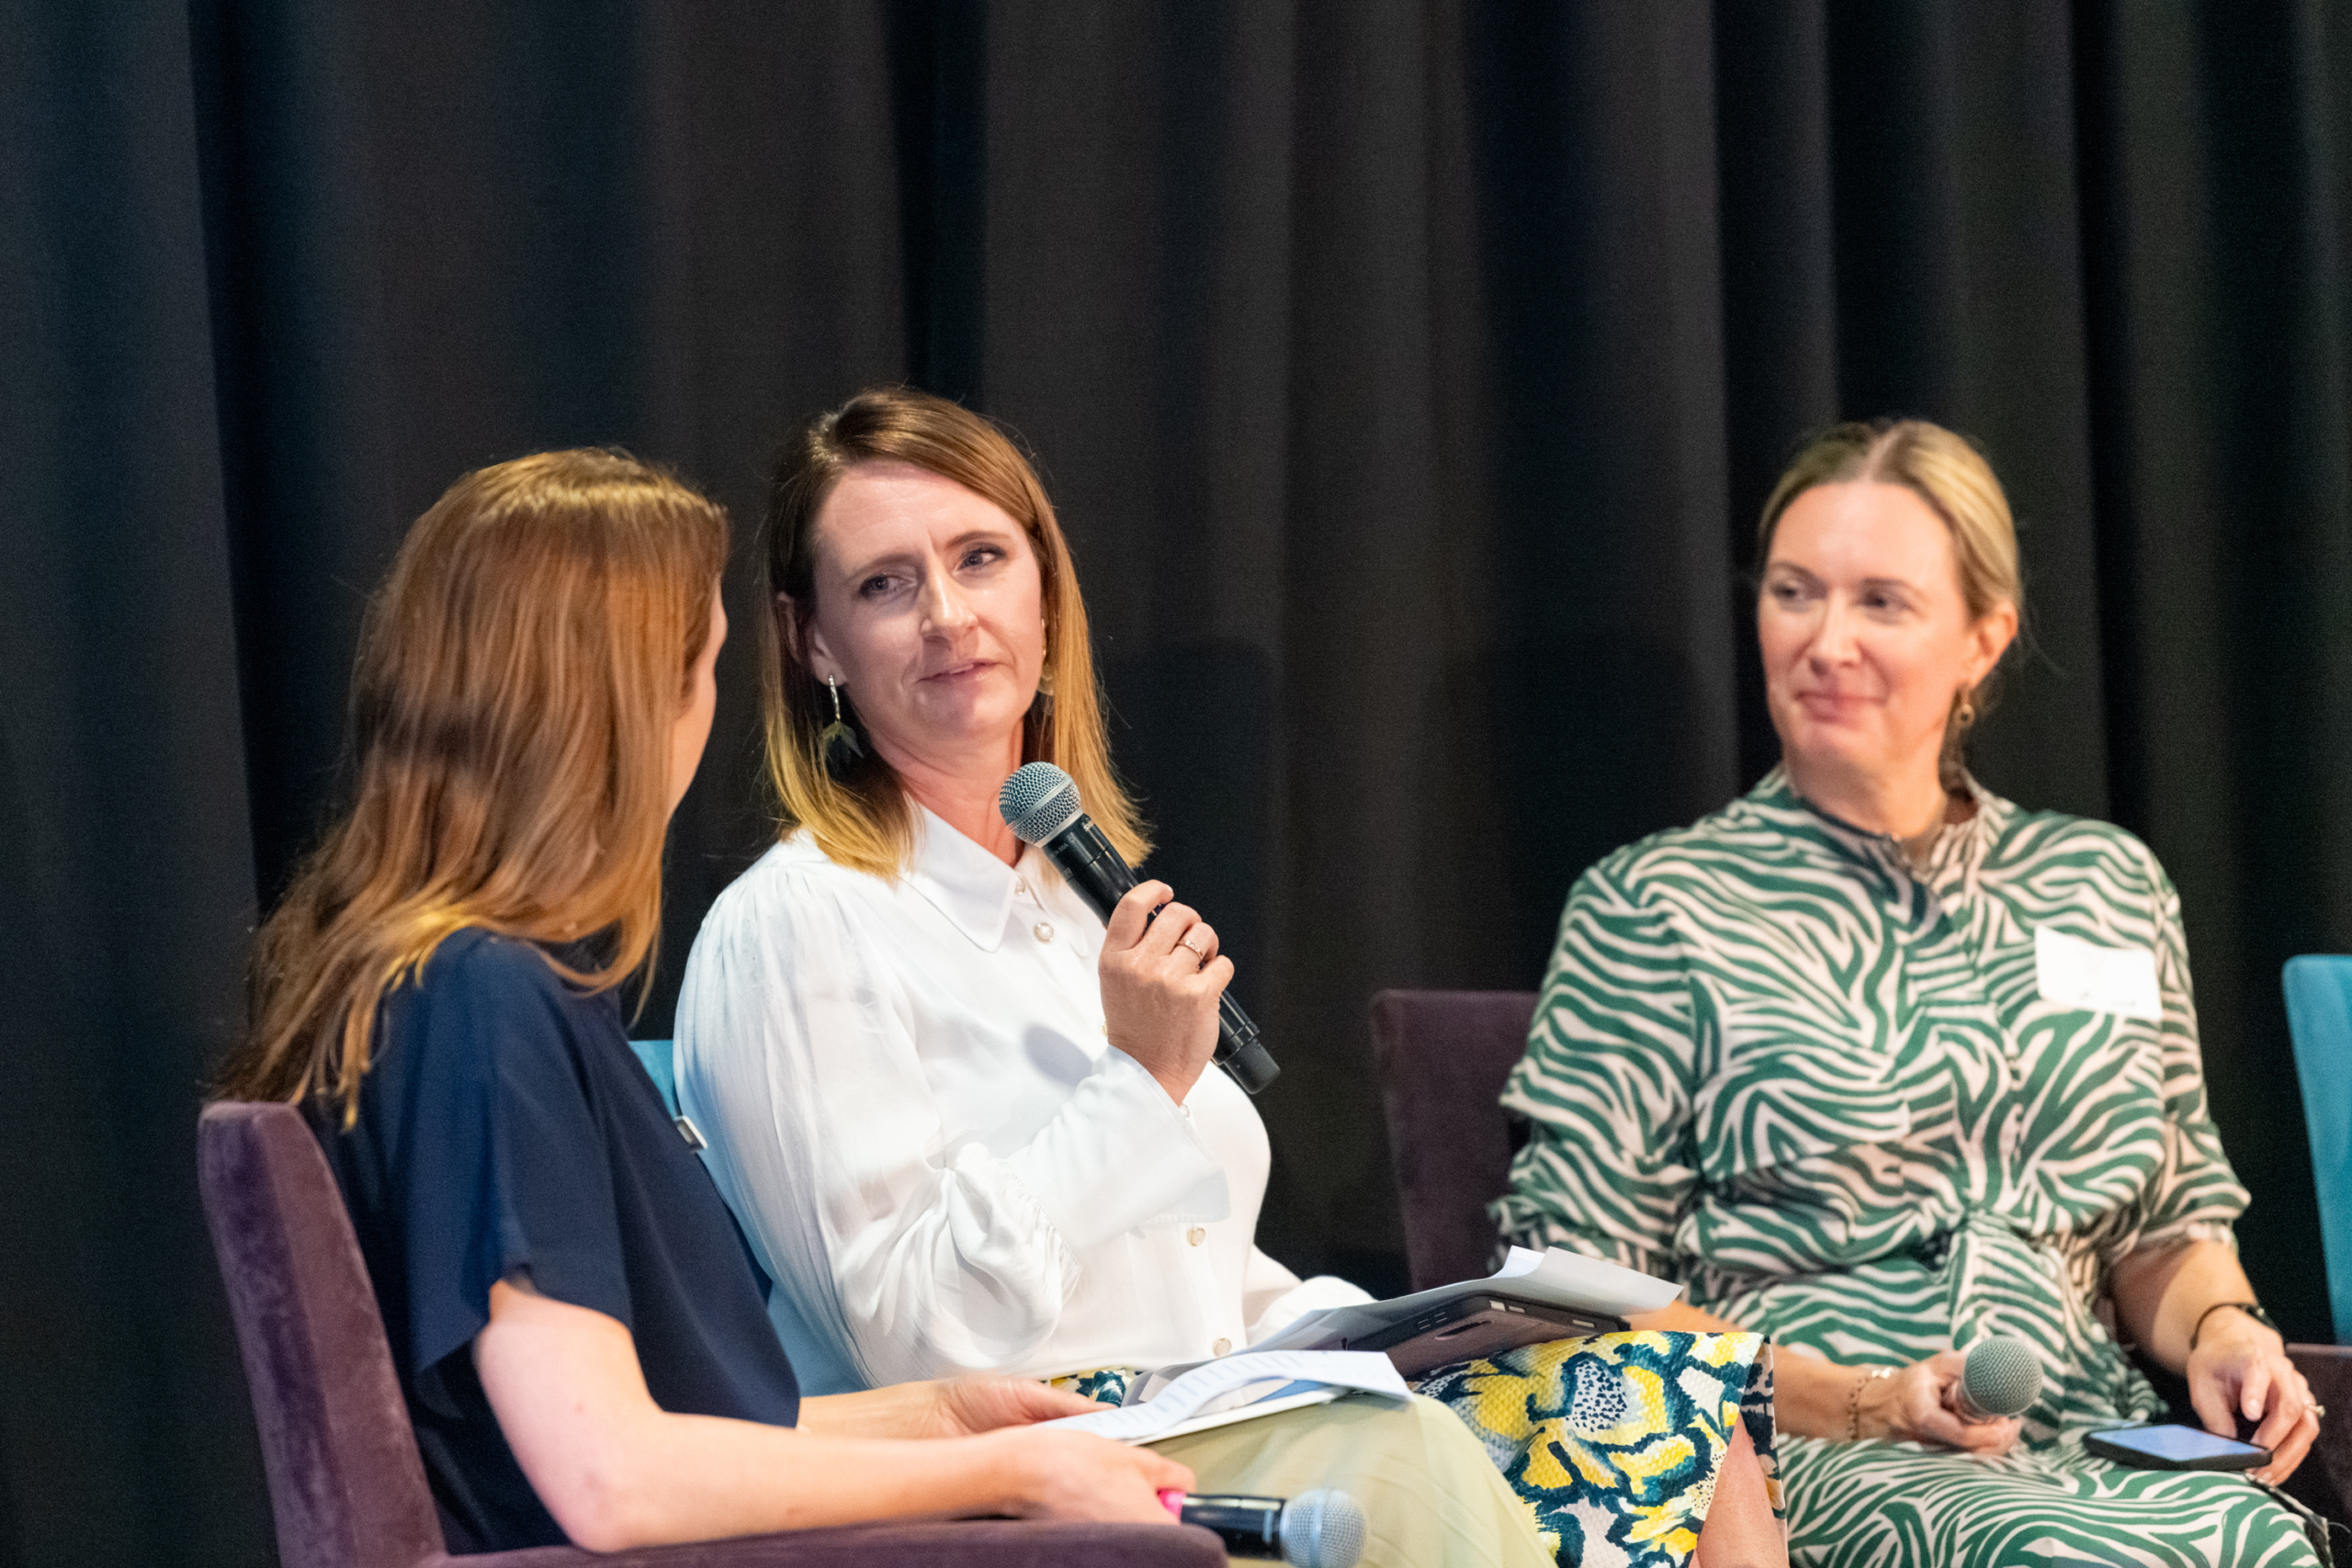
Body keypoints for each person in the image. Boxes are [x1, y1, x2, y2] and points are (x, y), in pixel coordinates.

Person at [674, 387, 1787, 1568]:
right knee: (1401, 1454)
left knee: (1667, 1391)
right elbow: (907, 1340)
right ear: (812, 640)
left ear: (1043, 591)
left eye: (980, 559)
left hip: (1199, 1406)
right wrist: (1137, 1079)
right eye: (884, 585)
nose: (949, 614)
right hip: (1013, 1461)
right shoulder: (797, 925)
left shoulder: (1078, 900)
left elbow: (1195, 1285)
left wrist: (1400, 1330)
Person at [211, 449, 1198, 1555]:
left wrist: (937, 1417)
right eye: (703, 670)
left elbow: (671, 1426)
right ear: (626, 700)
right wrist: (1009, 1474)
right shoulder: (482, 1001)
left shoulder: (443, 986)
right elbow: (610, 1478)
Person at [1492, 419, 2323, 1566]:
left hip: (2096, 1433)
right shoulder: (1655, 905)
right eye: (1794, 593)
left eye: (1880, 603)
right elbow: (1582, 1287)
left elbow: (2164, 1228)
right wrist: (1866, 1399)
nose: (1825, 641)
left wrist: (2227, 1330)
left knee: (2254, 1540)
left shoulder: (2105, 884)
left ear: (1984, 638)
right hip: (1805, 1444)